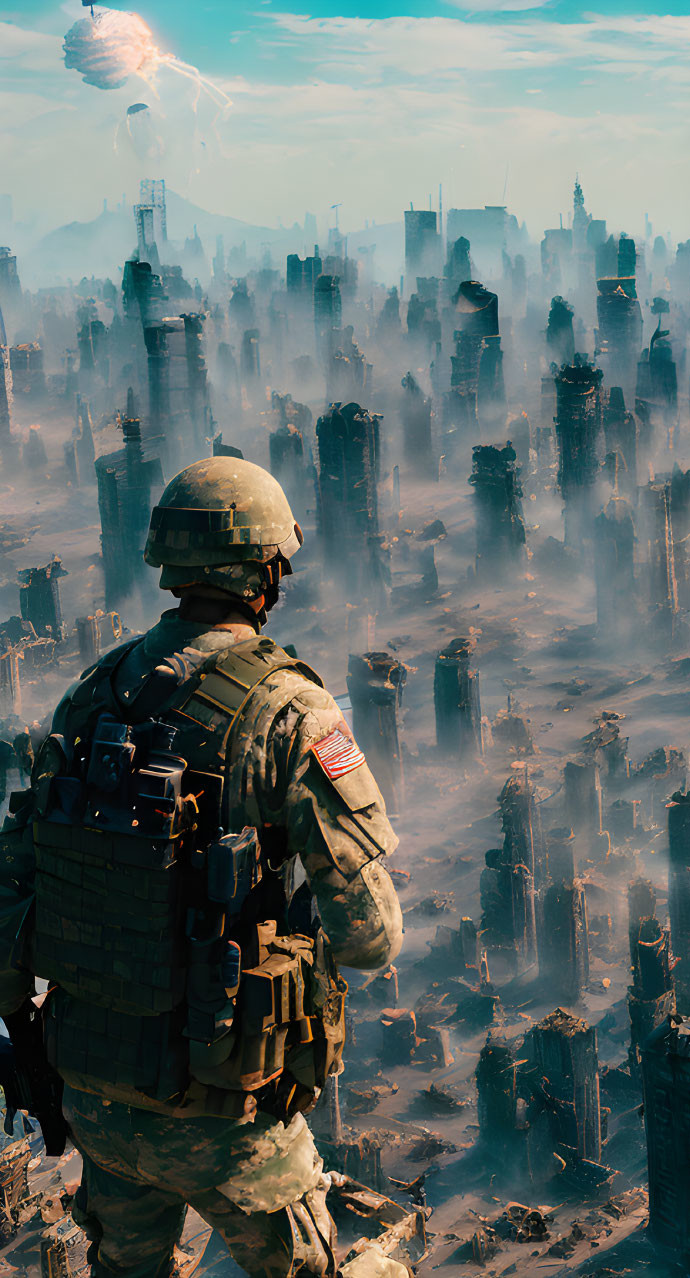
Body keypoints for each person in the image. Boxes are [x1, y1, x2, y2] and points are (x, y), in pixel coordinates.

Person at [0, 457, 405, 1278]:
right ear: (266, 570)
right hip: (226, 1113)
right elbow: (369, 938)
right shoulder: (293, 711)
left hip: (97, 1097)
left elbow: (16, 887)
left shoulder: (91, 698)